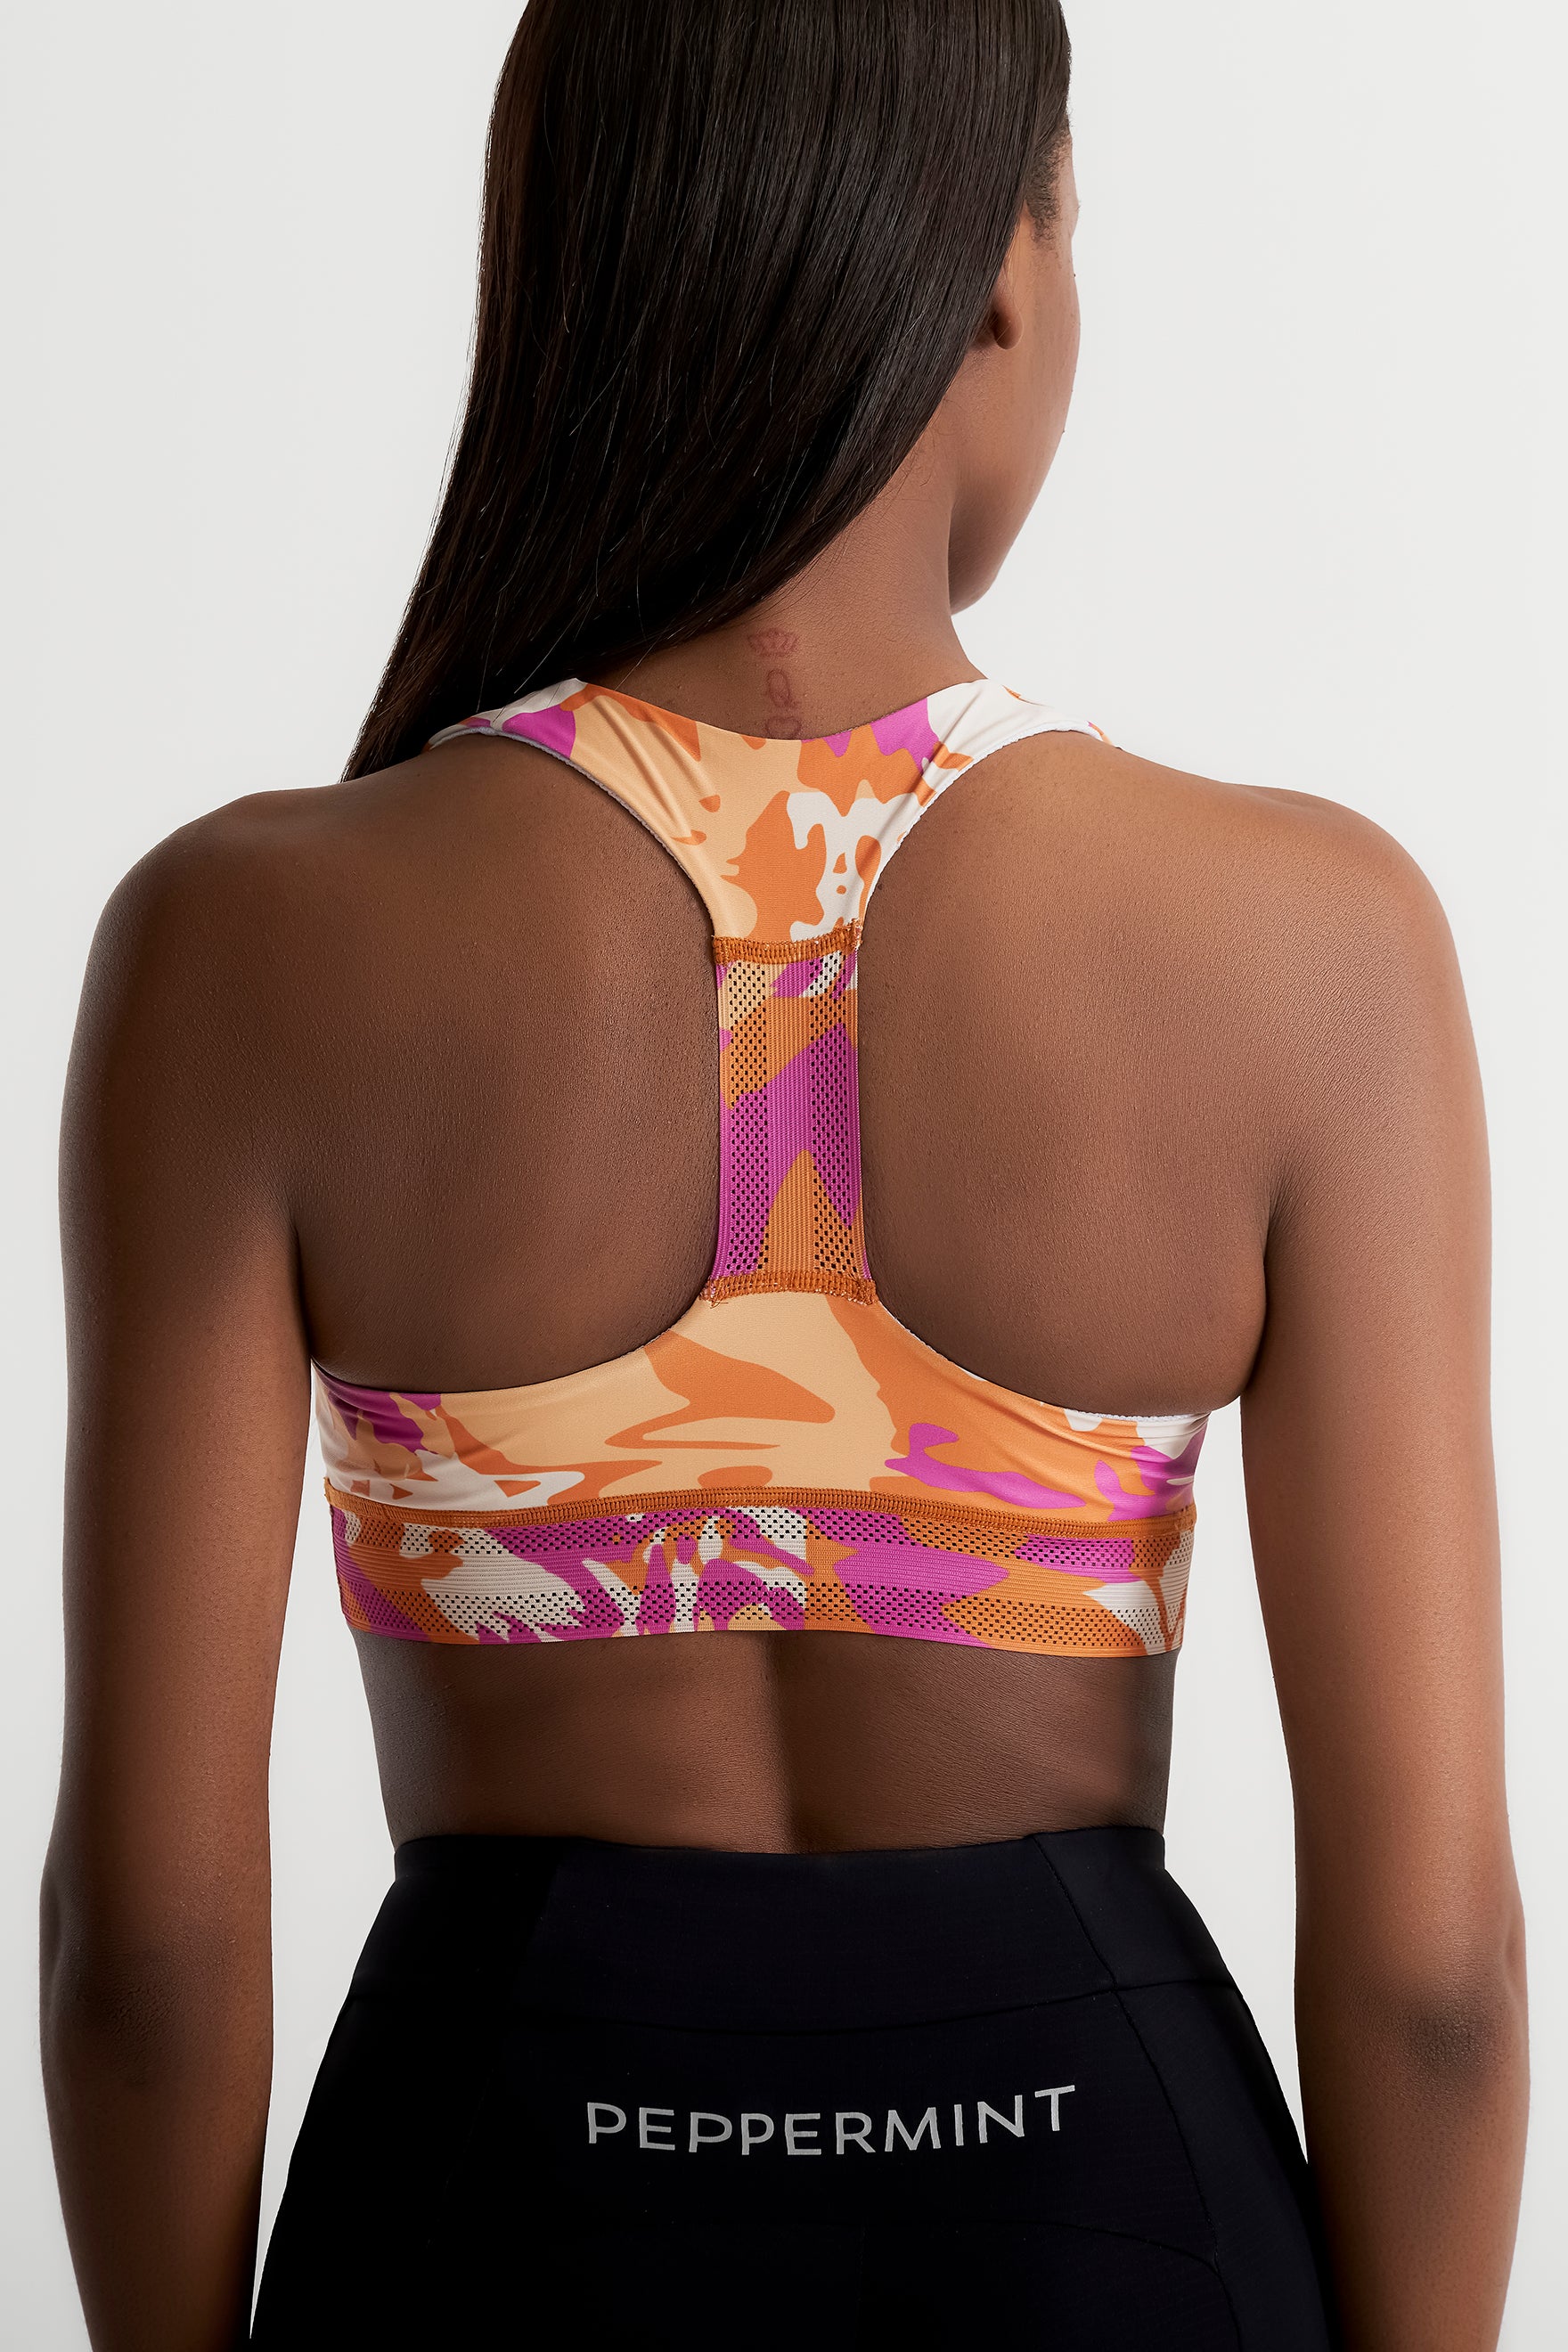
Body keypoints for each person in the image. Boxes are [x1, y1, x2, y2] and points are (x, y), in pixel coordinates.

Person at [41, 3, 1526, 2346]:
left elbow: (145, 1941)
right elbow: (1434, 1974)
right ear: (1012, 278)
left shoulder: (245, 944)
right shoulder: (1306, 944)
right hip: (1110, 2223)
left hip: (482, 2209)